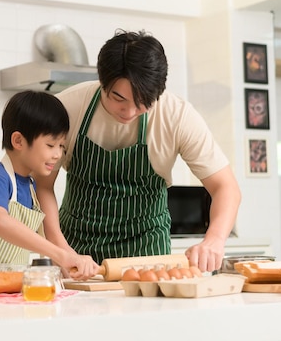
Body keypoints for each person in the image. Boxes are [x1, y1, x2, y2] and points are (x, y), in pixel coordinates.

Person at [34, 29, 241, 272]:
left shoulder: (177, 116)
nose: (129, 111)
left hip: (147, 254)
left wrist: (214, 240)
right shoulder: (68, 108)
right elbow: (42, 185)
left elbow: (226, 187)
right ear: (103, 82)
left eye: (143, 102)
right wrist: (61, 250)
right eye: (118, 98)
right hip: (77, 250)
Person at [0, 90, 99, 279]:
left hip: (8, 290)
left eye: (61, 146)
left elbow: (52, 237)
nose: (58, 154)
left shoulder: (31, 186)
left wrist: (76, 260)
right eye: (50, 145)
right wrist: (59, 255)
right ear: (18, 141)